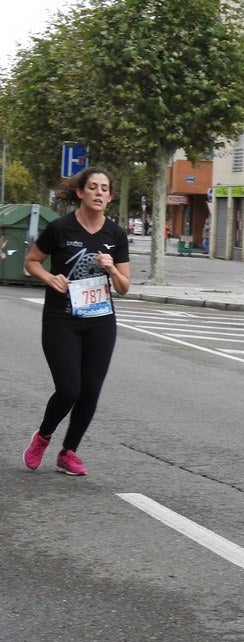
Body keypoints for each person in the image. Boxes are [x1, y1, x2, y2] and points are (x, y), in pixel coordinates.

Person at [22, 167, 131, 476]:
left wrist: (111, 269)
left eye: (104, 188)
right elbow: (31, 261)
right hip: (62, 317)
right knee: (69, 388)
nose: (98, 192)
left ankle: (68, 452)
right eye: (93, 187)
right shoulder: (60, 228)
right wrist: (49, 277)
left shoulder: (115, 235)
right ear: (81, 192)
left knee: (90, 390)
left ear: (110, 197)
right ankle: (43, 437)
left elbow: (124, 287)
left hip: (100, 319)